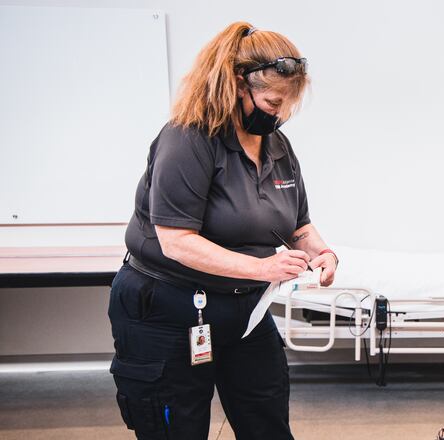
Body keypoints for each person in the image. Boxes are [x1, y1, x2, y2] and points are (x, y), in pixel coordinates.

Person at [108, 22, 338, 440]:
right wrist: (263, 268)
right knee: (177, 427)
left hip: (244, 313)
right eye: (271, 102)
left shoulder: (277, 147)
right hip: (167, 309)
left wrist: (323, 253)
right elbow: (176, 242)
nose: (279, 114)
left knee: (266, 421)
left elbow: (297, 223)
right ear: (238, 85)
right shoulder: (189, 139)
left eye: (287, 105)